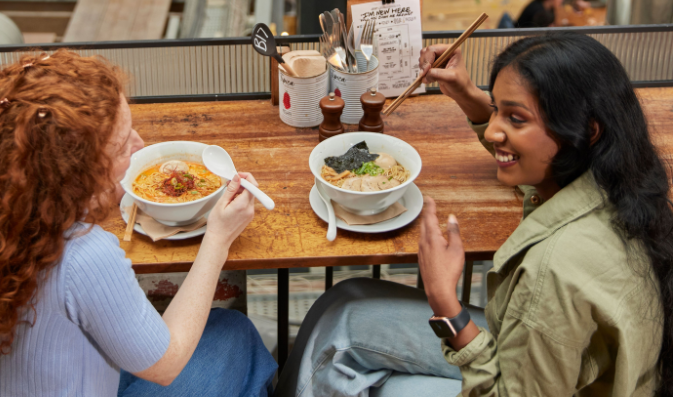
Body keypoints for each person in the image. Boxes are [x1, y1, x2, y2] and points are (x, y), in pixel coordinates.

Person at [276, 33, 673, 396]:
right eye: (497, 109)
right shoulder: (615, 179)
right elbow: (525, 150)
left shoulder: (555, 272)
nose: (494, 131)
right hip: (546, 365)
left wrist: (446, 301)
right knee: (347, 299)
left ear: (587, 131)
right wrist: (468, 94)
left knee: (357, 358)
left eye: (515, 118)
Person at [0, 50, 277, 397]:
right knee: (237, 336)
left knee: (226, 333)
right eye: (121, 148)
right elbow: (166, 366)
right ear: (75, 175)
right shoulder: (84, 256)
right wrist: (218, 238)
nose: (139, 147)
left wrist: (100, 192)